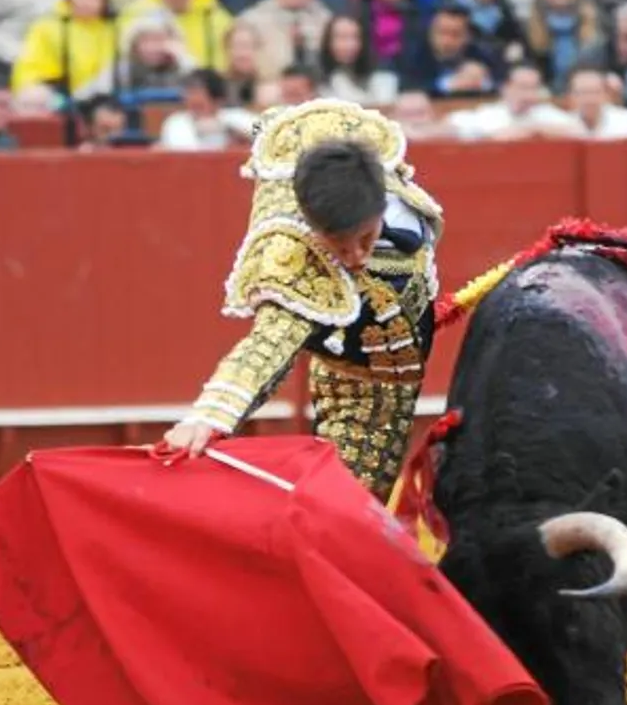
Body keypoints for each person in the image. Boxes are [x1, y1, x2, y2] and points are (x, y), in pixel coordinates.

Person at [160, 99, 446, 502]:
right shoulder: (293, 258)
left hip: (392, 342)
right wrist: (208, 416)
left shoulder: (368, 166)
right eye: (338, 245)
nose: (356, 257)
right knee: (350, 509)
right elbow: (267, 346)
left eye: (364, 239)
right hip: (359, 387)